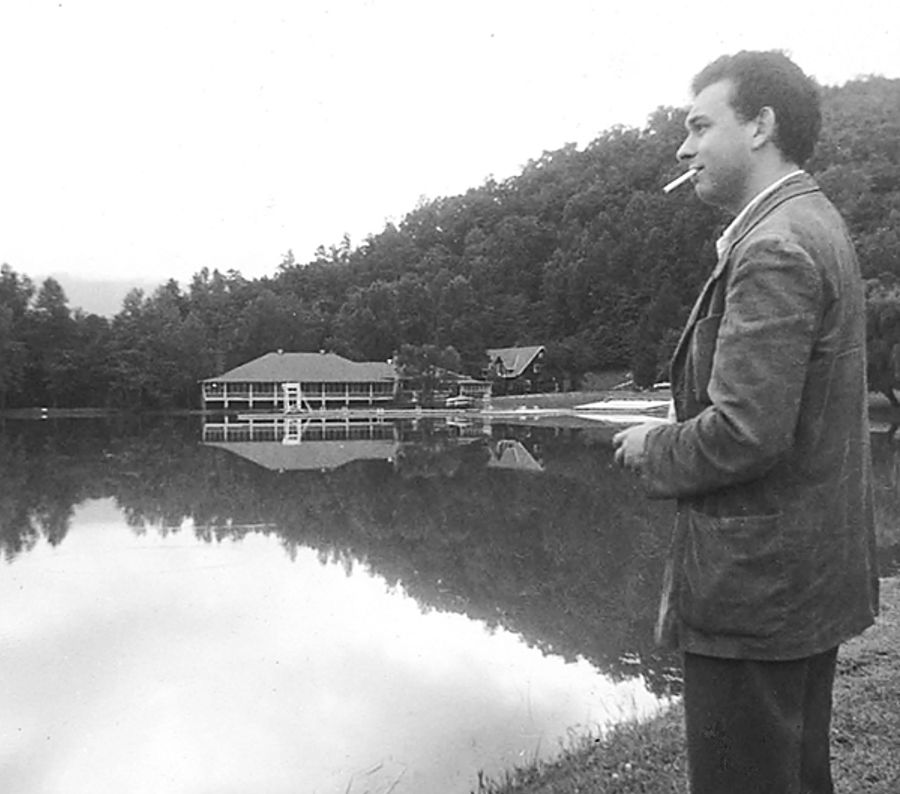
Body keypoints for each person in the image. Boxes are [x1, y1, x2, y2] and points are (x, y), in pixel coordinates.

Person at [612, 51, 879, 794]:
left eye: (701, 126)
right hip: (800, 580)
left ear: (761, 125)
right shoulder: (808, 220)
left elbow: (746, 432)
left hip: (757, 591)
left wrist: (652, 446)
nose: (683, 147)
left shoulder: (774, 247)